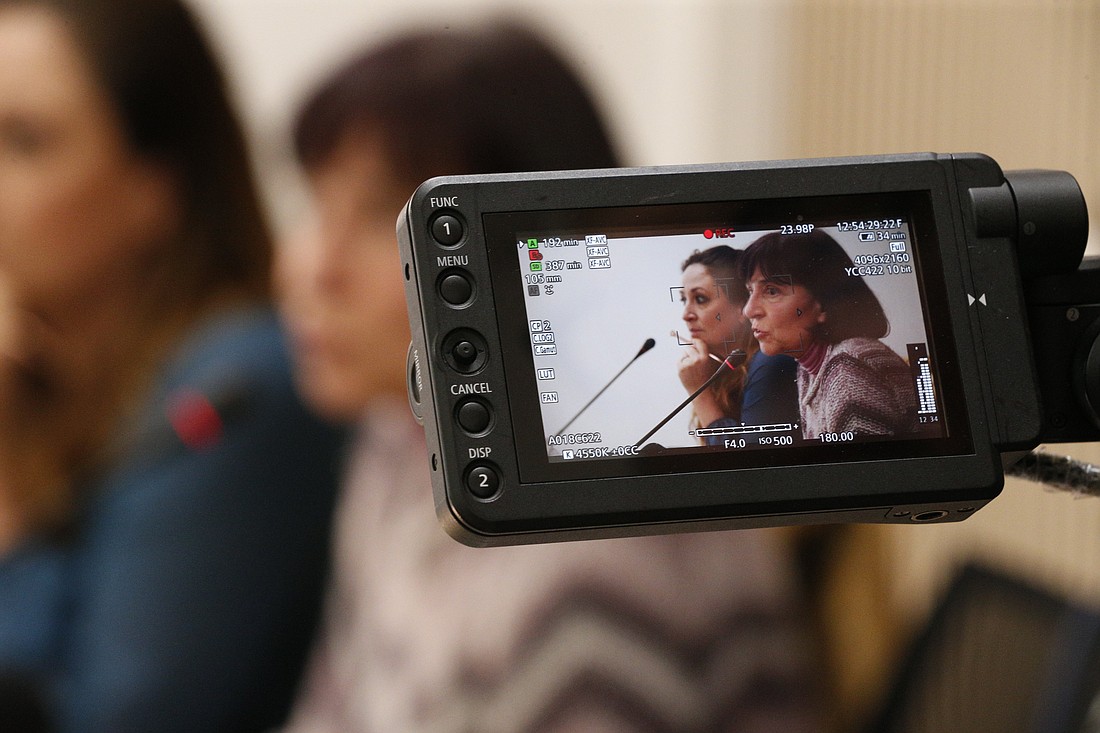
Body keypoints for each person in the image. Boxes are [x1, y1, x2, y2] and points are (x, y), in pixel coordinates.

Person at [278, 21, 824, 733]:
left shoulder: (593, 561)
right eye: (316, 204)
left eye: (387, 216)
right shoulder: (401, 437)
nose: (315, 267)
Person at [0, 1, 346, 731]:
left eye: (23, 142)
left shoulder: (238, 383)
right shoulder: (52, 385)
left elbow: (121, 715)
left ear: (153, 189)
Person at [740, 229, 918, 439]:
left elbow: (868, 471)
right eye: (750, 291)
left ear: (824, 303)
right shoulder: (811, 369)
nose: (749, 310)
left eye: (771, 291)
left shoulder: (850, 369)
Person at [678, 245, 799, 443]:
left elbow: (747, 463)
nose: (686, 315)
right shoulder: (724, 369)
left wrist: (699, 393)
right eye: (684, 300)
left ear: (742, 307)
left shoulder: (769, 361)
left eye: (700, 299)